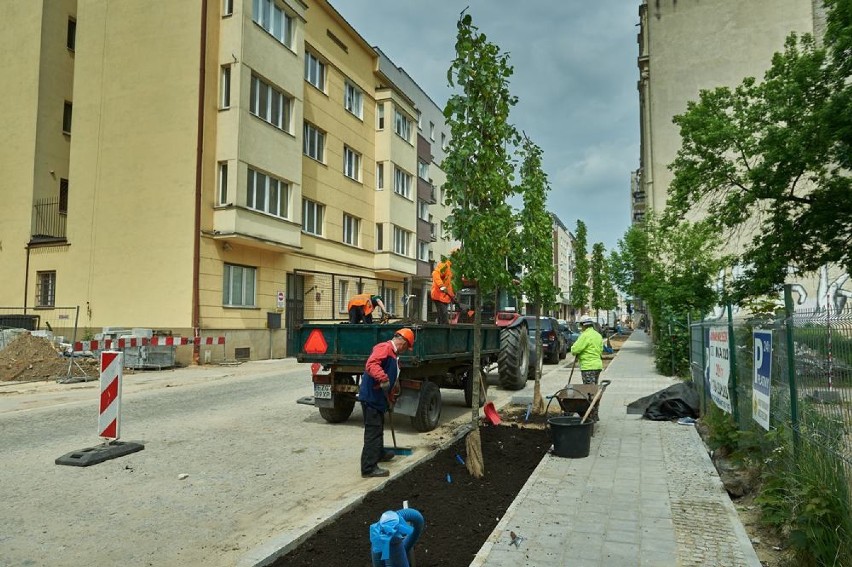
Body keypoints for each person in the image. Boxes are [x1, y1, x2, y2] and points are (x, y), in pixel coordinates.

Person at [359, 328, 415, 478]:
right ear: (403, 343)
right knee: (373, 432)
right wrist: (382, 378)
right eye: (406, 347)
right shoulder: (385, 348)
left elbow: (391, 379)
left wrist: (390, 400)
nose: (405, 350)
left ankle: (379, 453)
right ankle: (368, 468)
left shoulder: (393, 354)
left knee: (378, 428)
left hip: (378, 398)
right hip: (371, 397)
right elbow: (371, 365)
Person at [570, 316, 604, 384]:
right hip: (597, 366)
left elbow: (575, 349)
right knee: (594, 387)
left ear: (583, 325)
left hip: (588, 366)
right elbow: (600, 350)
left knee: (589, 389)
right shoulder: (598, 335)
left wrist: (573, 349)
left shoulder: (585, 335)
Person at [430, 255, 454, 324]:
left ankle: (442, 329)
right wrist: (441, 286)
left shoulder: (452, 269)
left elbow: (449, 285)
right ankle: (443, 330)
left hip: (444, 296)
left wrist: (452, 295)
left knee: (443, 315)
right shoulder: (445, 265)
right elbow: (435, 273)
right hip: (438, 295)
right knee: (444, 314)